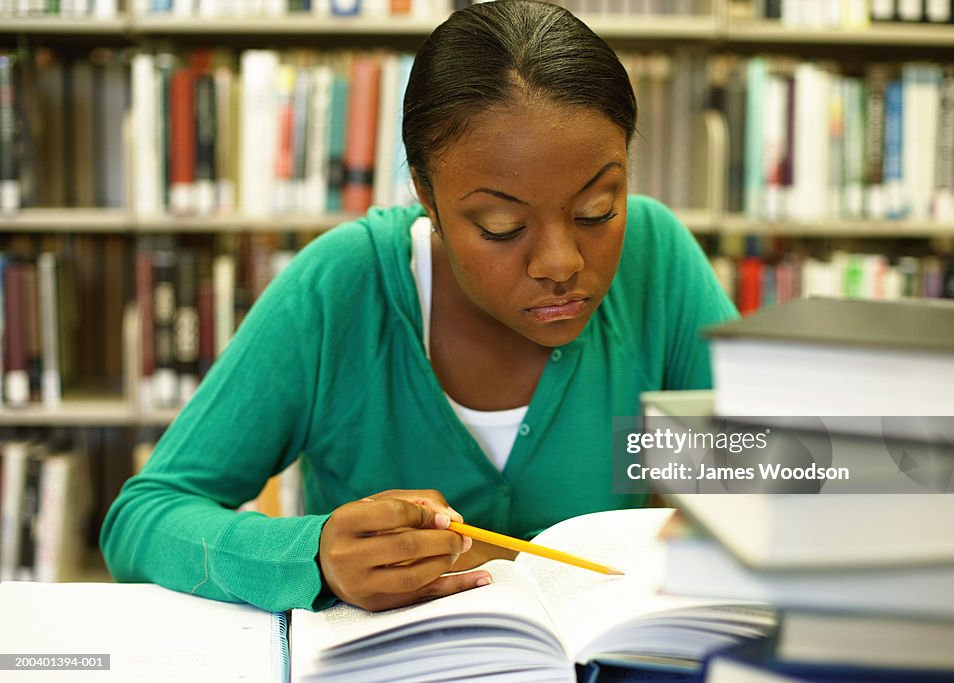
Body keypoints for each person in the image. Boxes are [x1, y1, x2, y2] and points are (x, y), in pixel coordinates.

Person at [100, 0, 737, 614]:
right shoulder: (343, 287)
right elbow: (144, 517)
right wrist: (312, 554)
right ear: (426, 198)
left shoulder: (657, 257)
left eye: (598, 209)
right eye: (499, 226)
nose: (561, 262)